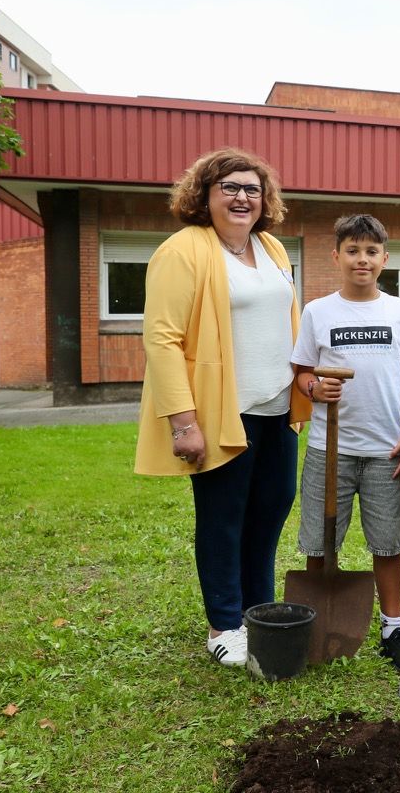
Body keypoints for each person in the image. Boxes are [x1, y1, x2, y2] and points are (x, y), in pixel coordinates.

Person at [134, 147, 307, 668]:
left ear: (265, 199)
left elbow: (287, 323)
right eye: (229, 187)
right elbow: (162, 340)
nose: (242, 197)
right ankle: (225, 625)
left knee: (271, 509)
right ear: (204, 195)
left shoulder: (273, 247)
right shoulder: (182, 250)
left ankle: (257, 612)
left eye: (252, 189)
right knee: (223, 520)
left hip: (278, 409)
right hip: (219, 411)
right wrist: (182, 421)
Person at [290, 214, 400, 671]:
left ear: (384, 259)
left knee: (387, 543)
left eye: (371, 251)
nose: (362, 259)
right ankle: (315, 620)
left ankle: (392, 628)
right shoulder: (318, 311)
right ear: (336, 256)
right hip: (327, 451)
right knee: (320, 542)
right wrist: (314, 388)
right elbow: (301, 373)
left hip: (386, 450)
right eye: (353, 250)